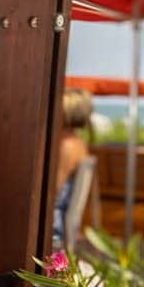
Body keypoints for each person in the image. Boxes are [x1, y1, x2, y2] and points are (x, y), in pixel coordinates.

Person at [53, 88, 93, 246]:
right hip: (61, 220)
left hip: (55, 224)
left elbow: (54, 190)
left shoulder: (67, 146)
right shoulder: (78, 142)